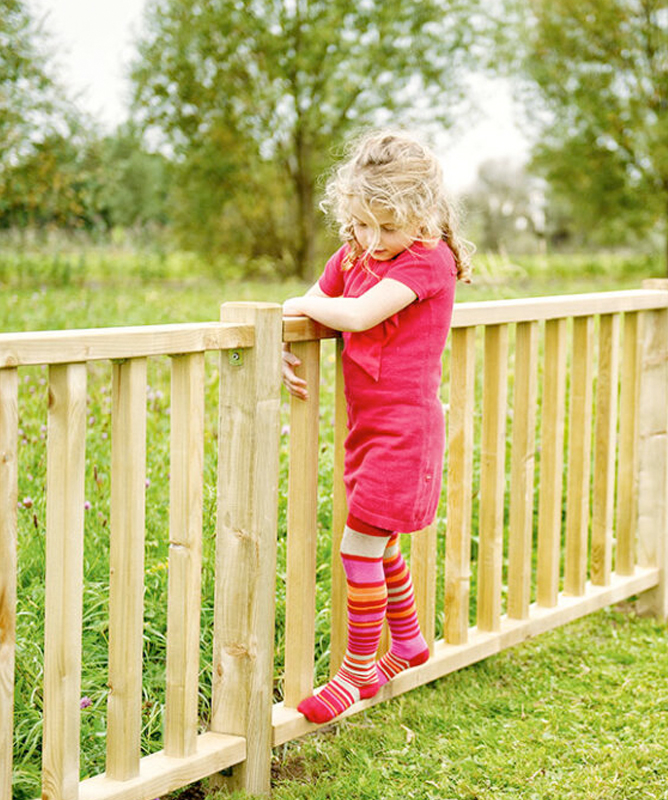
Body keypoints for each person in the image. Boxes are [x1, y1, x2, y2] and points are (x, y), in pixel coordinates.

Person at [281, 129, 472, 724]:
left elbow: (356, 314)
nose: (372, 239)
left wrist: (308, 306)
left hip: (406, 431)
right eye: (362, 224)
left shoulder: (428, 260)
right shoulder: (356, 254)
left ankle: (357, 671)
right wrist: (282, 340)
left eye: (387, 227)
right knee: (380, 540)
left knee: (356, 544)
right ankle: (409, 643)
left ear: (424, 215)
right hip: (367, 428)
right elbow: (305, 301)